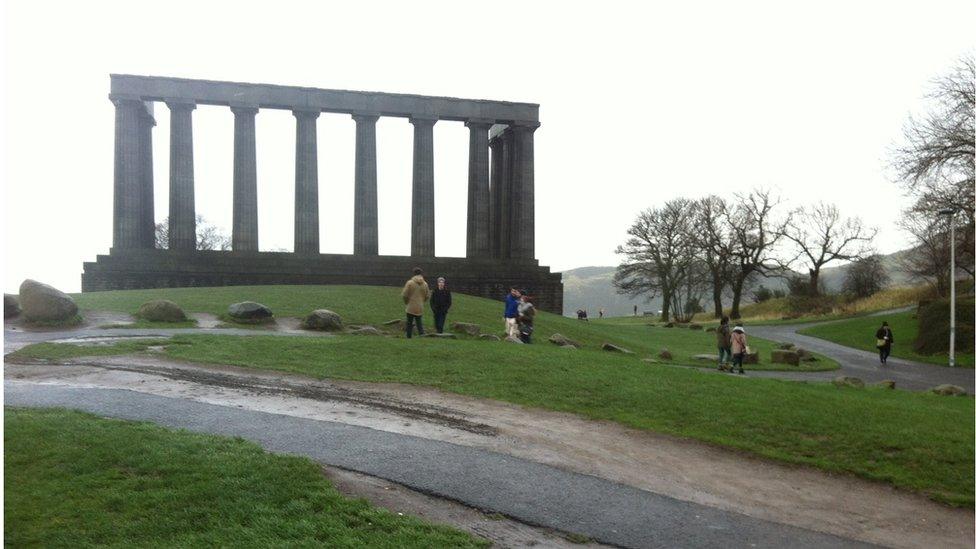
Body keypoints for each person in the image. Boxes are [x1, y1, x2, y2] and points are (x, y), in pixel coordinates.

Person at [401, 267, 430, 338]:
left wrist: (406, 302)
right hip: (420, 305)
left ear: (413, 274)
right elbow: (427, 295)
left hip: (410, 305)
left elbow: (405, 294)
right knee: (419, 322)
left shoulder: (410, 283)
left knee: (409, 322)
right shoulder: (425, 284)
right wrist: (422, 301)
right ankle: (422, 335)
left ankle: (408, 336)